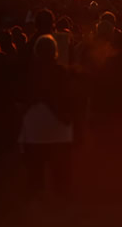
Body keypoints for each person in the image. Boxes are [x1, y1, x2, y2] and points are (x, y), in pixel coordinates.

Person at [18, 35, 78, 197]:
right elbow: (70, 99)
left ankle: (37, 204)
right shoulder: (61, 72)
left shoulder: (30, 74)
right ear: (55, 52)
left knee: (35, 174)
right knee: (61, 174)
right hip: (58, 127)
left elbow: (22, 99)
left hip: (34, 129)